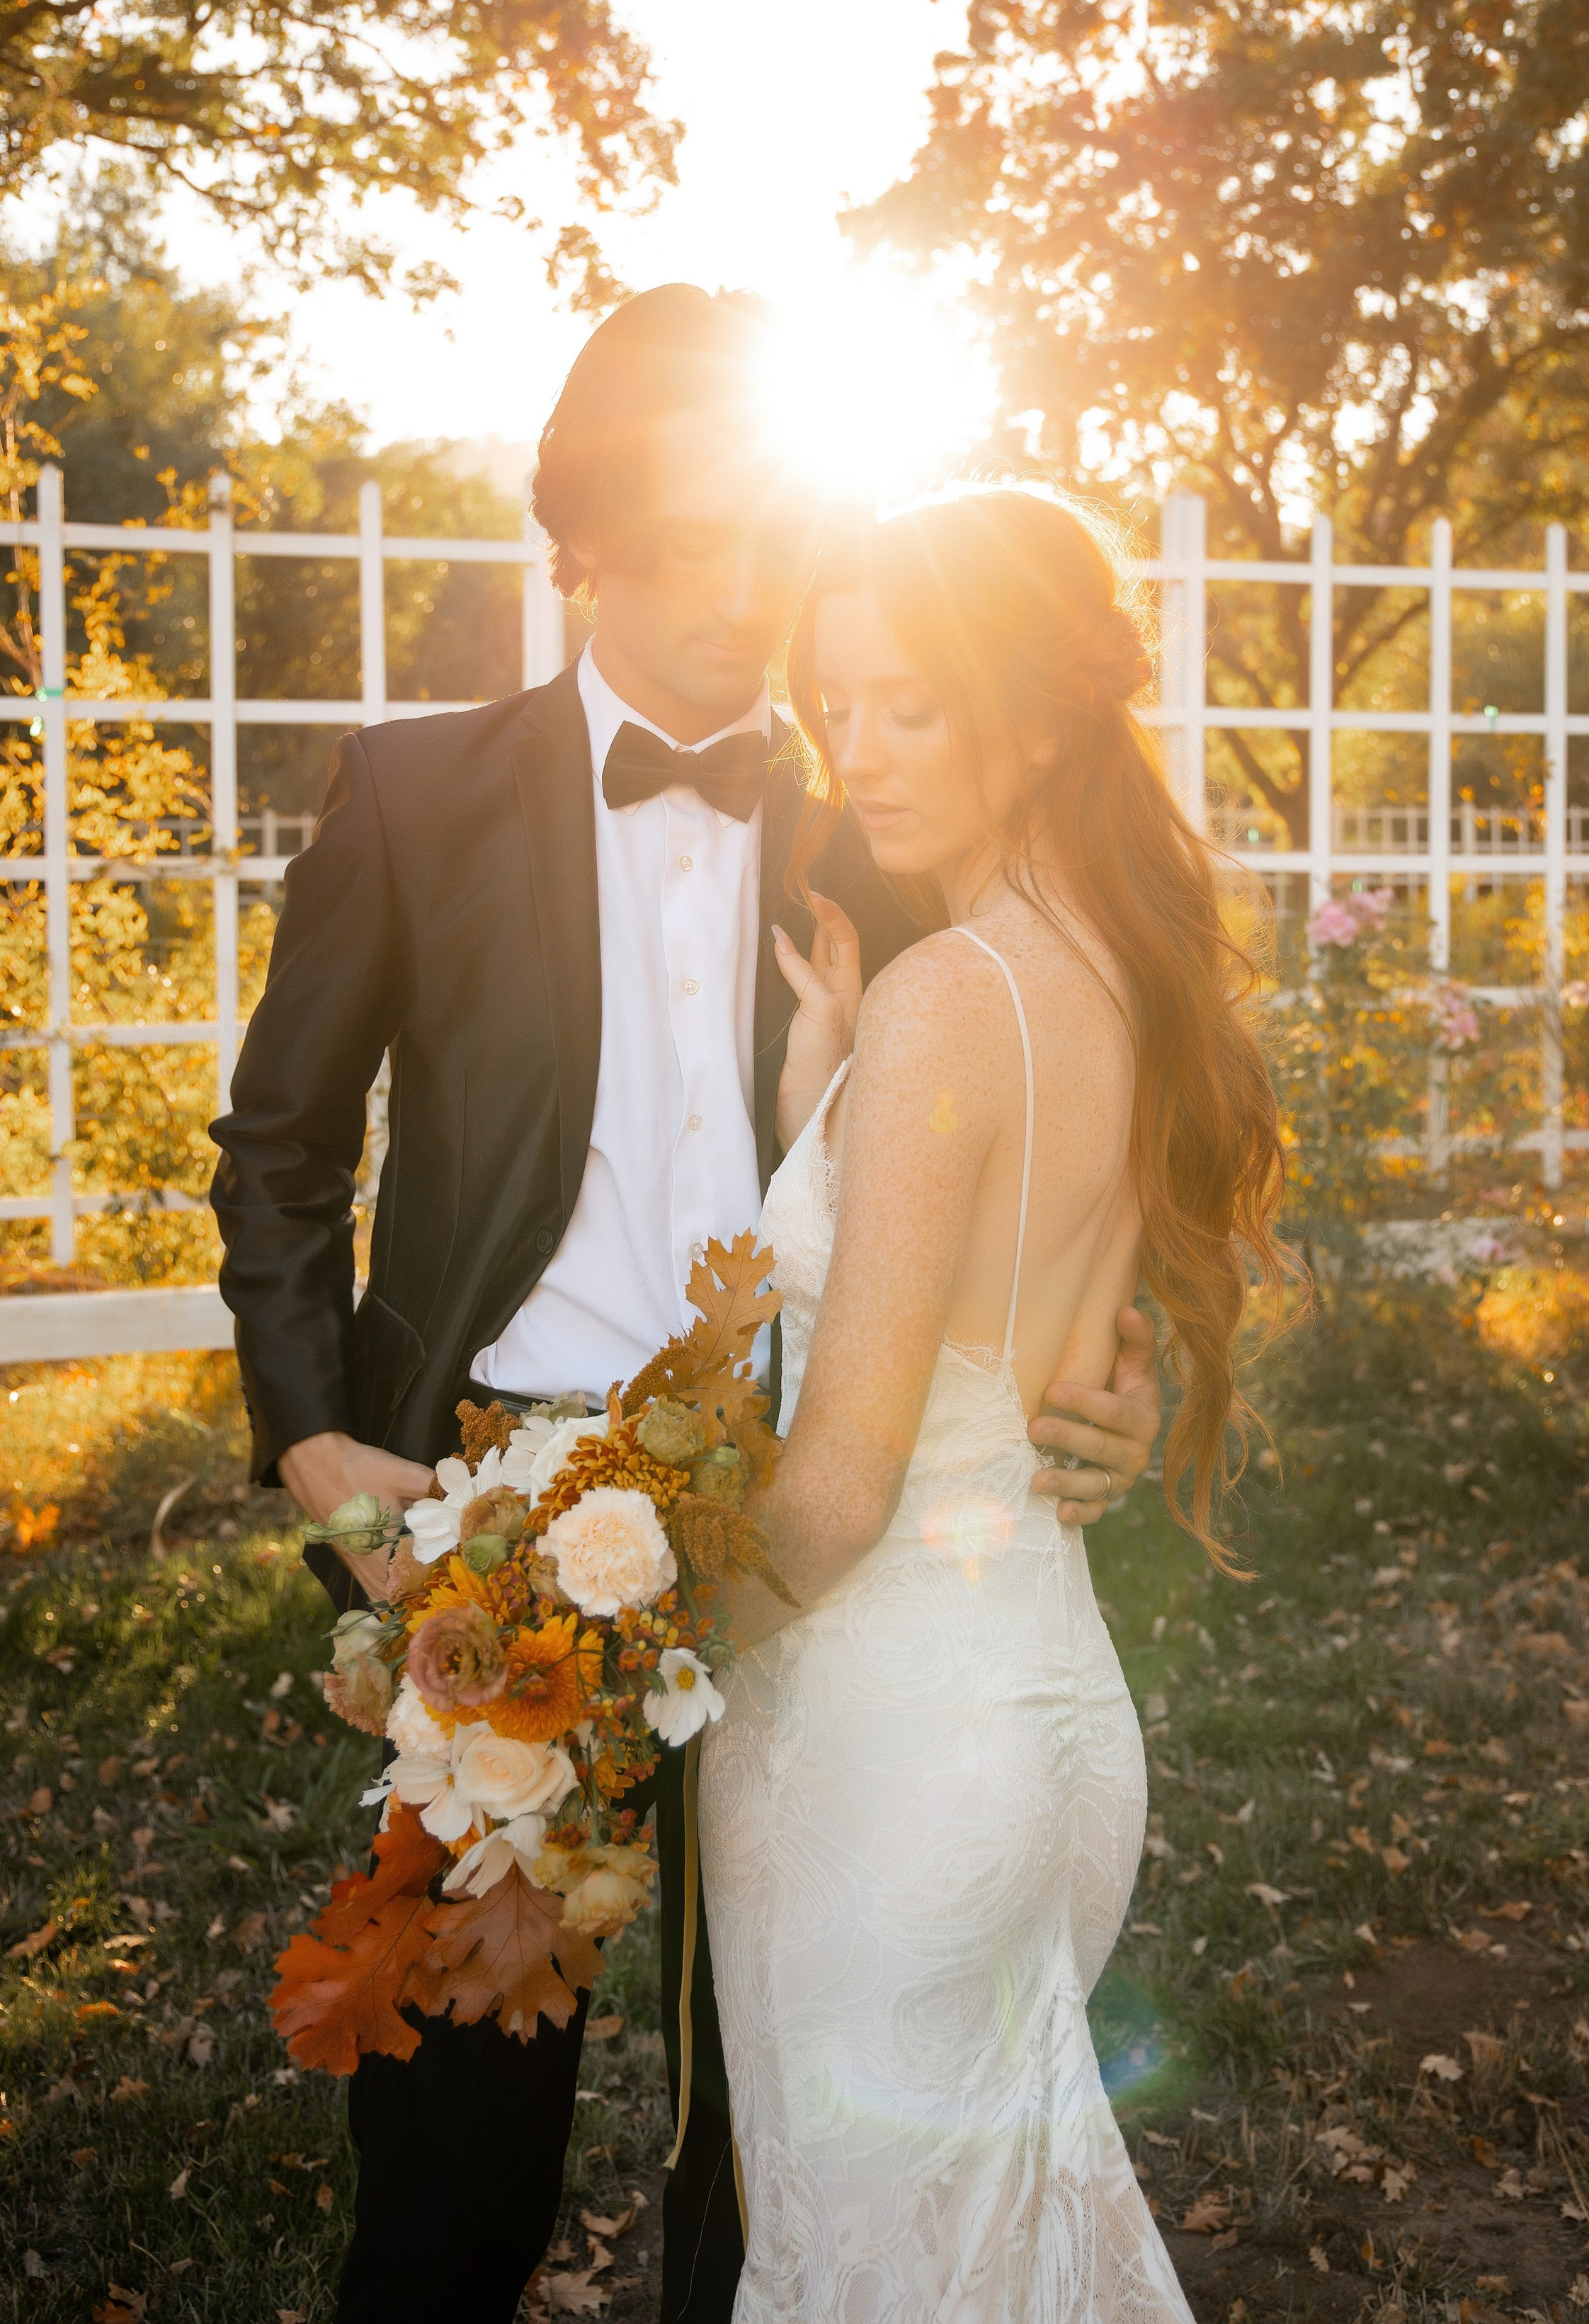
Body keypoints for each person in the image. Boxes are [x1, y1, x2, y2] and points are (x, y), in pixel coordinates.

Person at [207, 289, 1166, 2324]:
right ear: (576, 552)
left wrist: (1112, 1368)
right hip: (484, 1520)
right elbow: (278, 1148)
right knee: (457, 2147)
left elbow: (1026, 1110)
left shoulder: (882, 798)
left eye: (769, 549)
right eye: (688, 554)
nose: (744, 603)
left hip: (803, 1516)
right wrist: (310, 1437)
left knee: (784, 2143)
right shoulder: (415, 794)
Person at [696, 483, 1291, 2320]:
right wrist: (827, 1093)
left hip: (888, 1749)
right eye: (837, 702)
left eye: (913, 705)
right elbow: (1003, 1305)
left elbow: (843, 1485)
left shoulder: (956, 996)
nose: (857, 750)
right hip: (1048, 1713)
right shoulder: (1121, 965)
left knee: (870, 2278)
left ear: (1033, 713)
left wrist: (603, 1656)